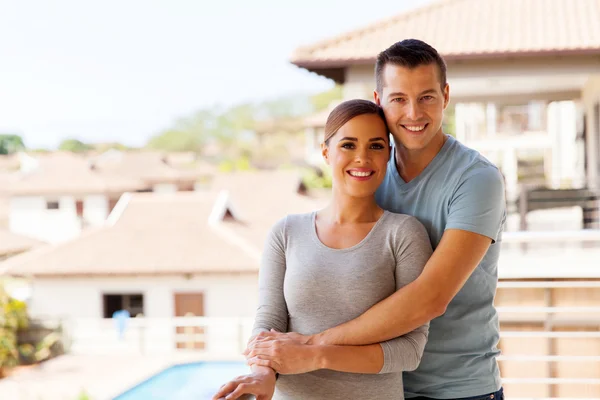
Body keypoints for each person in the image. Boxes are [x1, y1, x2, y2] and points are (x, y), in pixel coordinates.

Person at [244, 39, 507, 400]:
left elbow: (429, 299)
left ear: (445, 96)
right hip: (379, 385)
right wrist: (267, 366)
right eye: (399, 98)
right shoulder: (371, 172)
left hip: (454, 387)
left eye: (427, 97)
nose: (413, 113)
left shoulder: (476, 180)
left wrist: (311, 346)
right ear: (379, 99)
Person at [213, 99, 433, 400]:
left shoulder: (403, 234)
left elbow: (410, 350)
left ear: (389, 155)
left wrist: (317, 355)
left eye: (376, 146)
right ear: (326, 152)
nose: (362, 157)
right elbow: (268, 323)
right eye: (348, 145)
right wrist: (262, 375)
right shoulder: (286, 232)